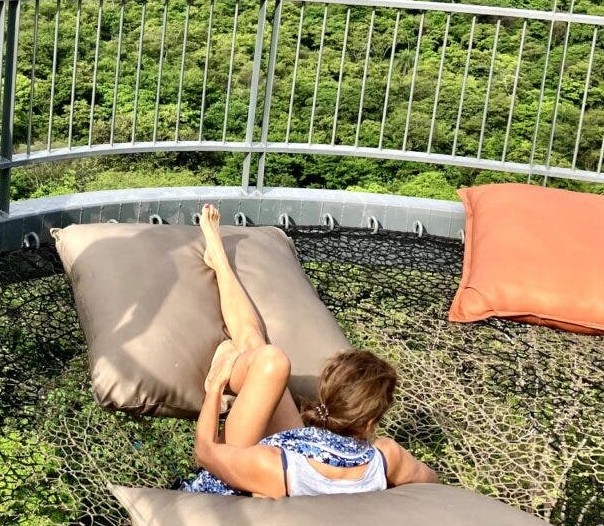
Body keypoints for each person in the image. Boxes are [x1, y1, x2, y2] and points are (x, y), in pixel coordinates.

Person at [185, 204, 438, 498]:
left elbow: (205, 453)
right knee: (269, 359)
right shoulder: (386, 459)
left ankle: (220, 263)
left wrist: (215, 386)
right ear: (370, 423)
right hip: (307, 460)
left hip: (230, 491)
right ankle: (220, 264)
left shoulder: (276, 465)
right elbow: (430, 480)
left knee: (260, 352)